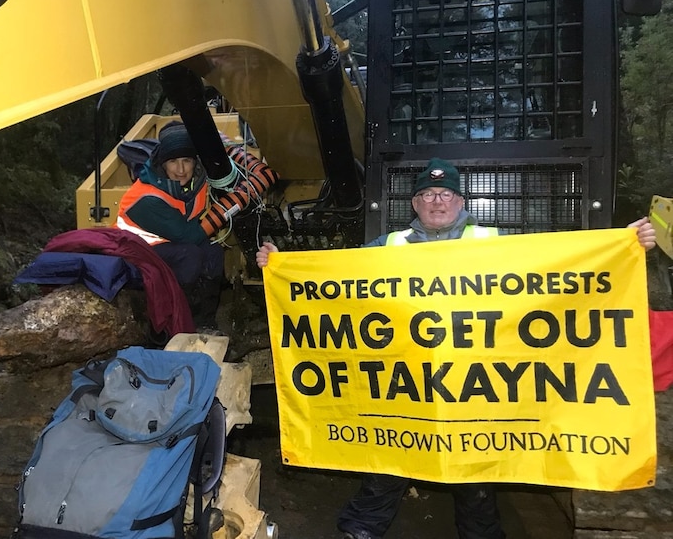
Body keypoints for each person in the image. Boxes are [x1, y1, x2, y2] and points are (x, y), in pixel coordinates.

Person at [255, 158, 657, 539]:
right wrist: (283, 265)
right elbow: (333, 277)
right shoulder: (388, 245)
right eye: (428, 194)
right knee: (387, 458)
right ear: (414, 203)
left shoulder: (493, 243)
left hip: (473, 390)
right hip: (406, 386)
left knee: (474, 472)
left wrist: (626, 245)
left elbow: (559, 266)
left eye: (445, 193)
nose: (437, 201)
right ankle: (361, 529)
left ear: (461, 201)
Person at [117, 121, 224, 329]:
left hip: (171, 242)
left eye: (187, 160)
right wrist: (226, 210)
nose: (182, 169)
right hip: (135, 249)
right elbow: (188, 236)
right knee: (190, 255)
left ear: (196, 162)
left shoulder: (197, 182)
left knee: (213, 252)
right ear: (162, 163)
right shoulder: (147, 197)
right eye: (173, 161)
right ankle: (173, 323)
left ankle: (205, 322)